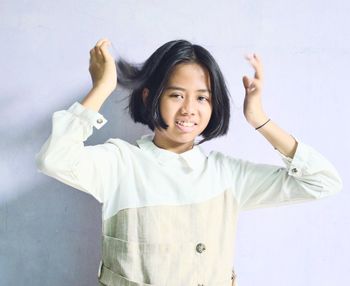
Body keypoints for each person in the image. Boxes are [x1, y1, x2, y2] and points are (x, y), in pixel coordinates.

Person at [35, 38, 343, 286]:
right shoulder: (121, 163)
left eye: (202, 98)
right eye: (176, 95)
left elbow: (323, 181)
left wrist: (259, 119)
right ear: (149, 97)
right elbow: (55, 159)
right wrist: (102, 88)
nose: (189, 110)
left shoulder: (226, 175)